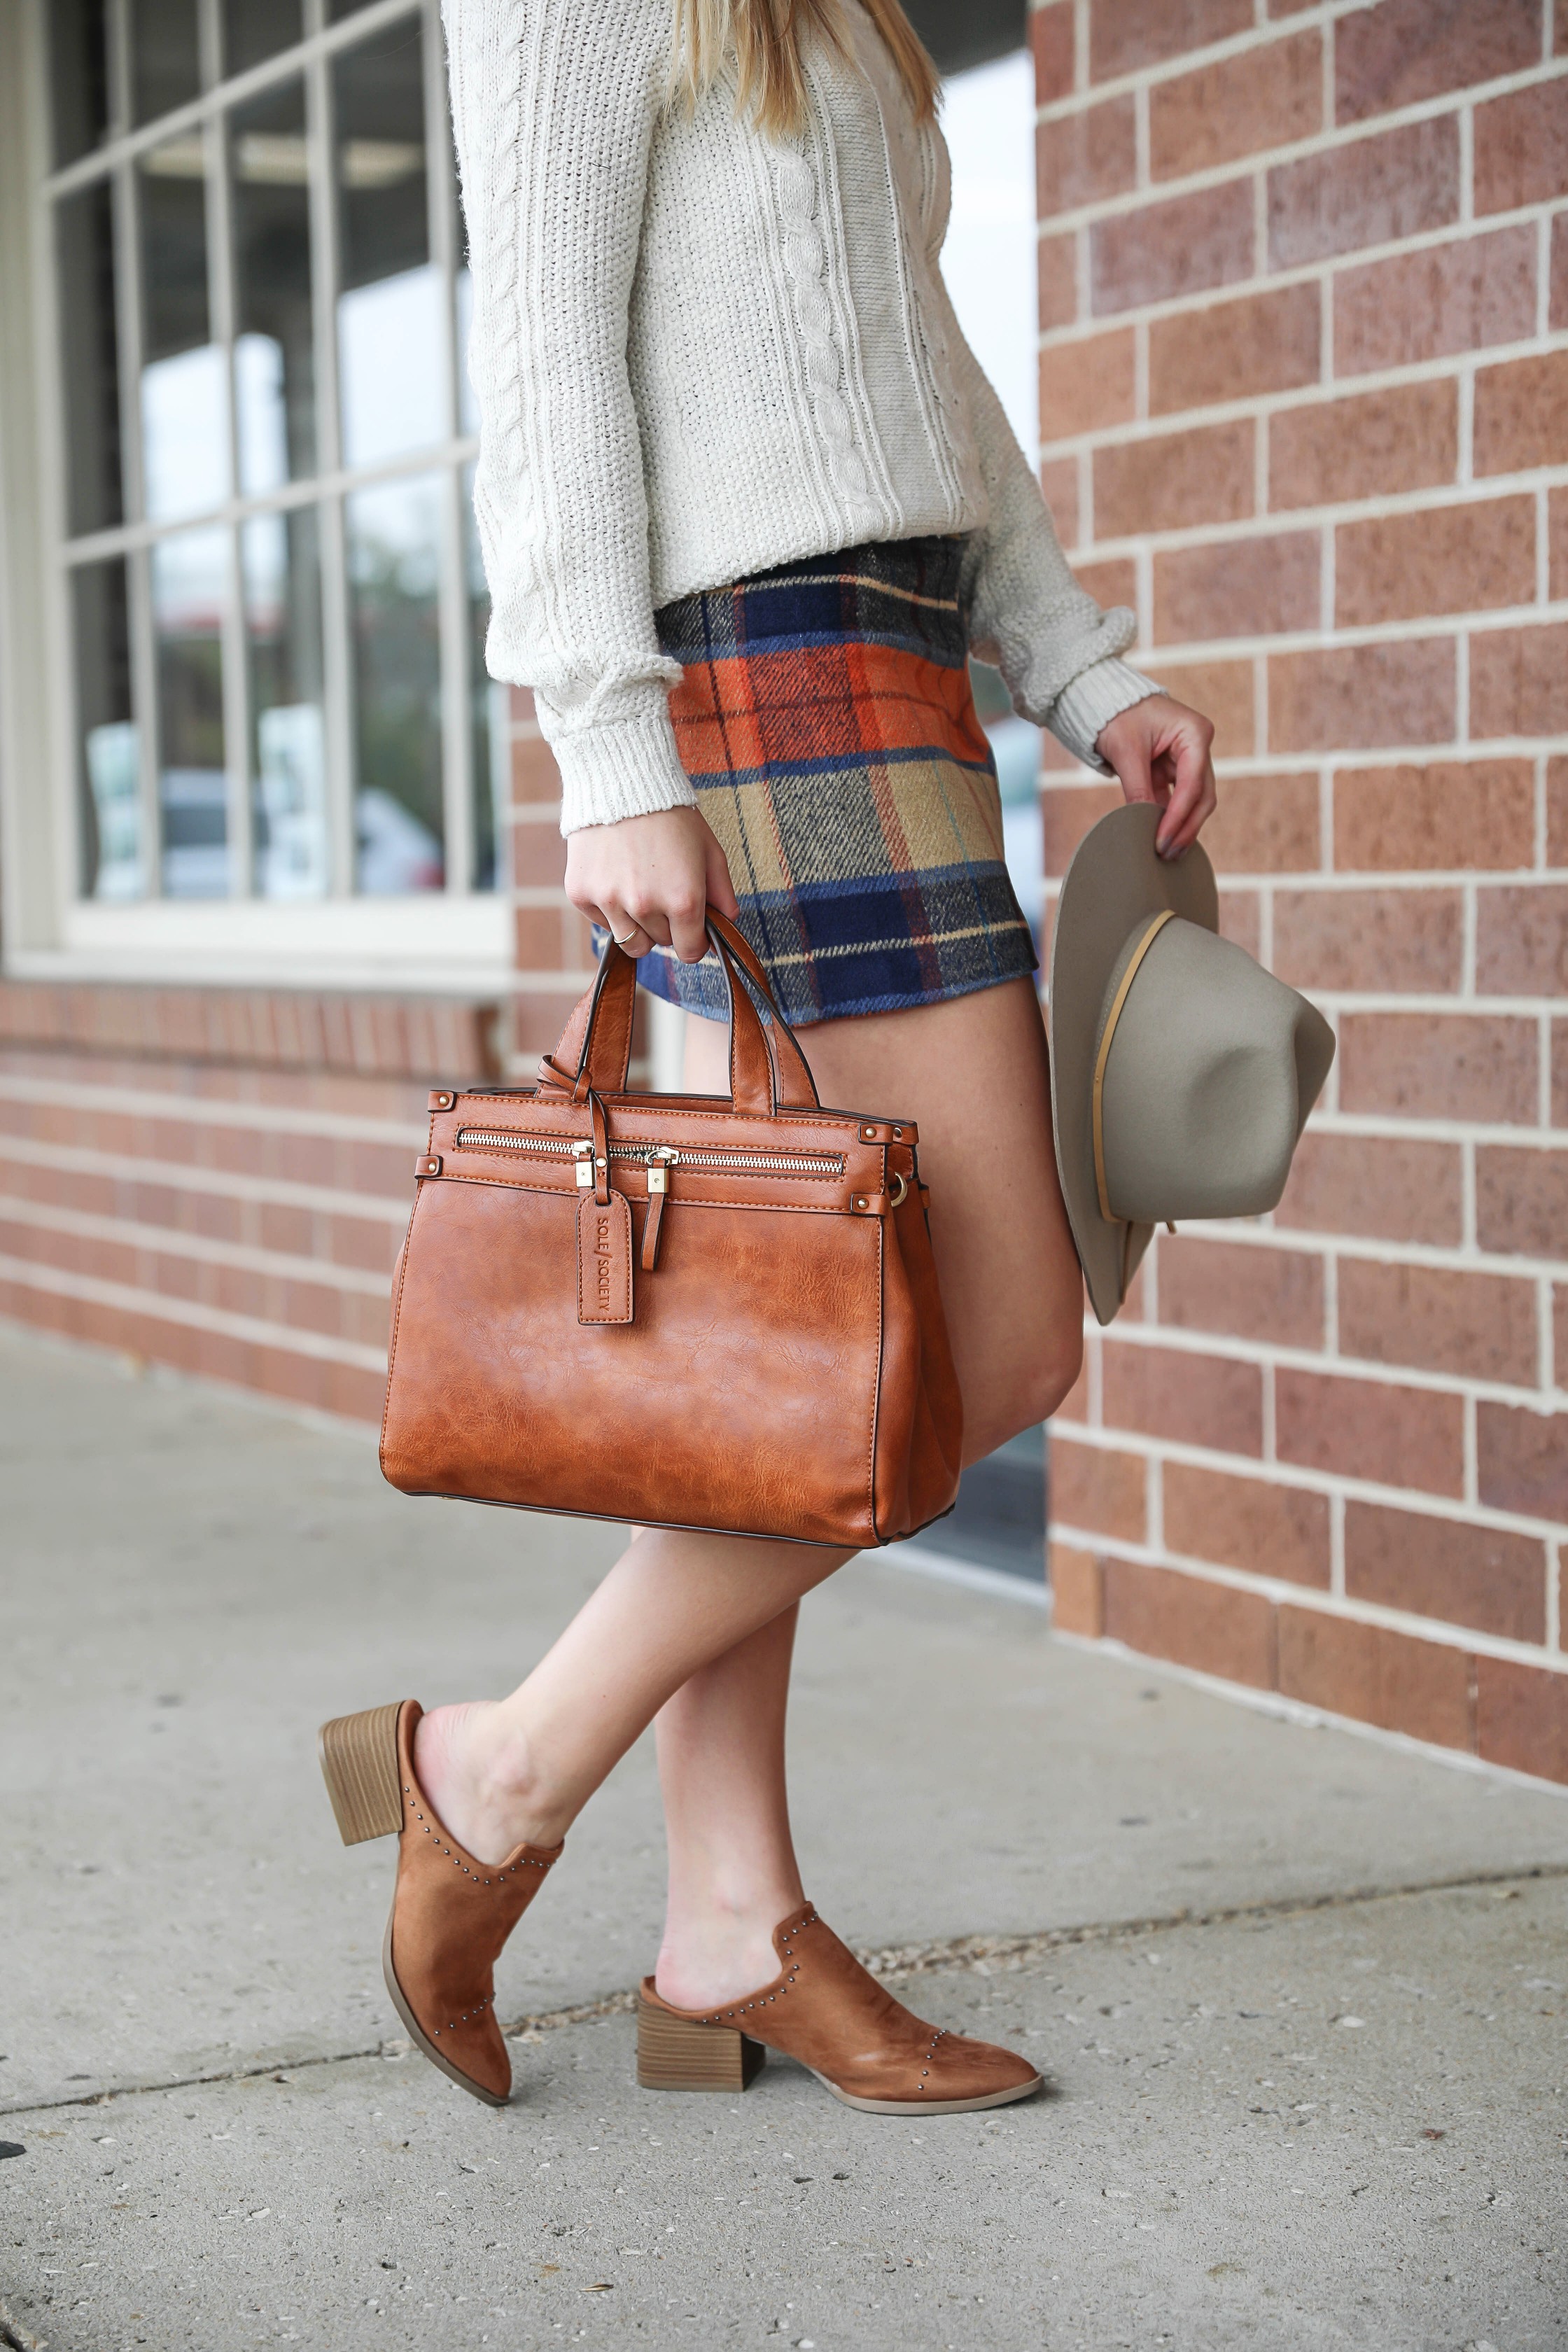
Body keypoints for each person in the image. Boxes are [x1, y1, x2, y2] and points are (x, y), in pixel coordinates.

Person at [323, 0, 1217, 2116]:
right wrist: (604, 751)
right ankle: (496, 1769)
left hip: (890, 663)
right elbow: (540, 368)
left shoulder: (852, 14)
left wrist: (1079, 666)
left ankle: (729, 1919)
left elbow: (916, 364)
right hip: (756, 680)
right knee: (989, 1344)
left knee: (785, 1364)